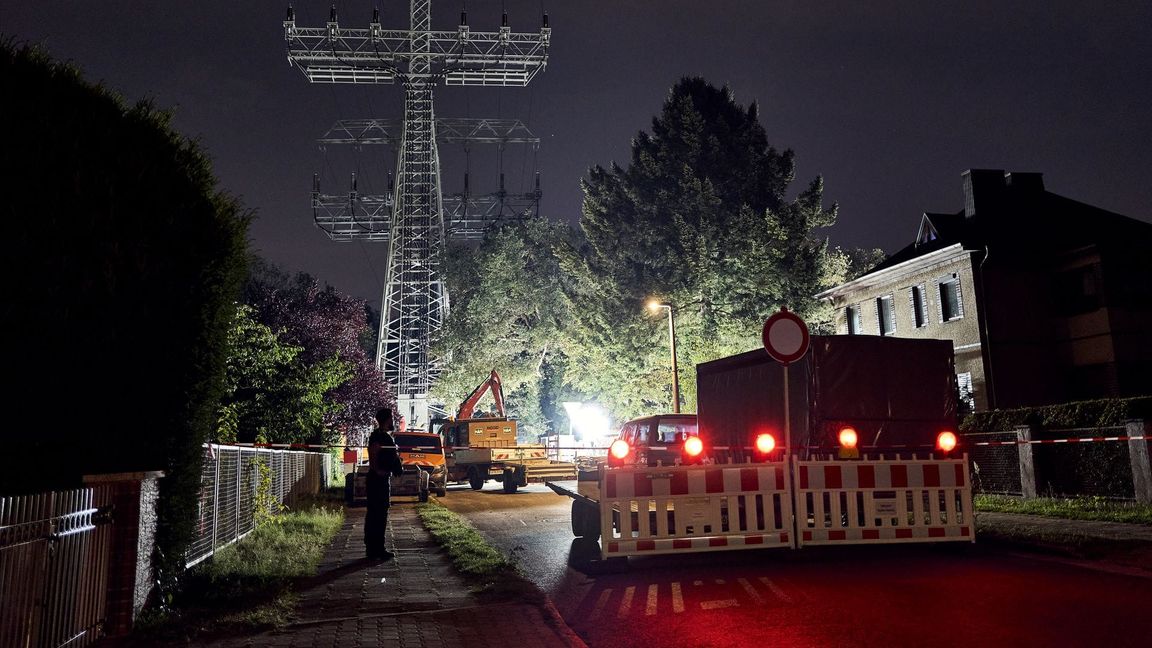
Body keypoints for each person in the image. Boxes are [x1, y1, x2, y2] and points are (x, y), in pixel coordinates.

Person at [365, 407, 403, 560]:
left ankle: (375, 548)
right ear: (387, 420)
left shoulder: (384, 436)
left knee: (379, 513)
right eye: (391, 418)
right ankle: (376, 549)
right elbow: (373, 452)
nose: (393, 421)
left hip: (380, 478)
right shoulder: (378, 436)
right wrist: (377, 470)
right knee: (377, 514)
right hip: (377, 480)